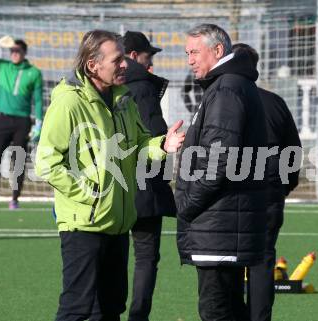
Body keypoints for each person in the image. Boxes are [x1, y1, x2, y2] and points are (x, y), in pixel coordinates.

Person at [35, 30, 184, 321]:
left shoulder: (124, 100)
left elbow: (139, 147)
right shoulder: (68, 103)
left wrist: (162, 145)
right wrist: (89, 195)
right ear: (93, 65)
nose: (125, 64)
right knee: (77, 309)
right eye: (117, 60)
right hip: (84, 226)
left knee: (112, 308)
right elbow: (47, 162)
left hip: (118, 223)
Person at [175, 24, 268, 321]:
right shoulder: (228, 84)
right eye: (187, 53)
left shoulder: (227, 88)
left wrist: (186, 206)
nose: (189, 60)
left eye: (194, 52)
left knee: (216, 310)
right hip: (224, 223)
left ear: (217, 51)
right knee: (228, 308)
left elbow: (218, 162)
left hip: (219, 223)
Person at [232, 43, 302, 321]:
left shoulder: (225, 98)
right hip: (270, 188)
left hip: (235, 191)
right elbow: (293, 151)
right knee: (262, 258)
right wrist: (285, 185)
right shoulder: (275, 102)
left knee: (231, 260)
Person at [122, 30, 177, 321]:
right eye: (148, 56)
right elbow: (153, 134)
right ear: (134, 56)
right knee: (145, 257)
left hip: (112, 185)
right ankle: (138, 317)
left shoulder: (107, 86)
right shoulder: (142, 87)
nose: (151, 62)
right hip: (142, 185)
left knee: (112, 257)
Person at [0, 36, 43, 210]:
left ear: (24, 52)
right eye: (12, 51)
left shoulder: (34, 72)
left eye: (17, 51)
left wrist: (39, 123)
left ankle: (14, 199)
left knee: (18, 159)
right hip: (3, 119)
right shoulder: (2, 66)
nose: (14, 54)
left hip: (22, 121)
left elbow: (39, 100)